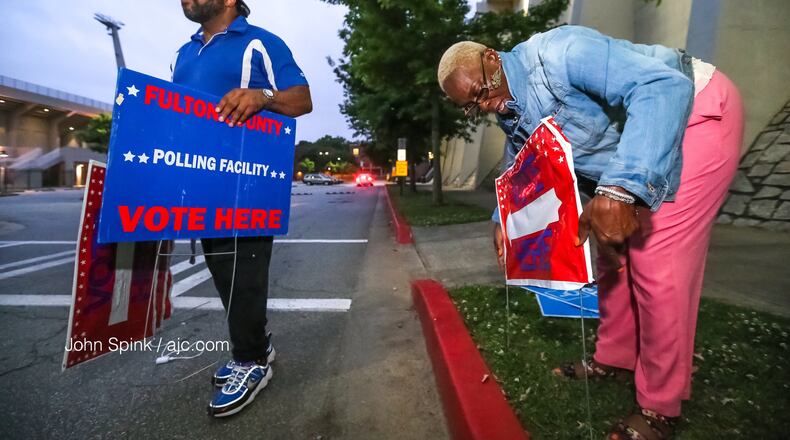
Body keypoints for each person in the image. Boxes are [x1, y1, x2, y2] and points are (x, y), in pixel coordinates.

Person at [437, 25, 742, 439]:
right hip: (635, 149)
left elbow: (661, 85)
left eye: (482, 90)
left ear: (492, 56)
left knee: (657, 261)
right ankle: (615, 358)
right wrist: (500, 219)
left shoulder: (561, 51)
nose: (488, 105)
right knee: (611, 256)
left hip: (693, 116)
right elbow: (523, 158)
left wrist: (619, 188)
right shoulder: (508, 103)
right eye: (473, 106)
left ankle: (659, 407)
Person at [173, 0, 312, 417]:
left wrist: (262, 96)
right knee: (221, 271)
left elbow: (302, 99)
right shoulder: (184, 52)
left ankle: (252, 361)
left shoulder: (261, 43)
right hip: (201, 184)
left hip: (245, 185)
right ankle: (255, 346)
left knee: (244, 274)